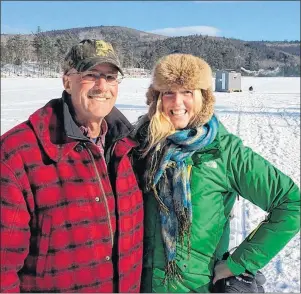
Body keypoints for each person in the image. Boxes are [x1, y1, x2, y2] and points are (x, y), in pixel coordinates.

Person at [133, 53, 300, 293]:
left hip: (196, 287)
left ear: (203, 97)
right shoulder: (140, 146)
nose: (177, 102)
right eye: (168, 91)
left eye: (188, 92)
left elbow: (290, 202)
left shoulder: (224, 151)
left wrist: (238, 263)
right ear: (157, 98)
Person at [0, 39, 143, 293]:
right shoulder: (18, 154)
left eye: (110, 77)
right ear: (67, 81)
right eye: (91, 75)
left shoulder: (128, 147)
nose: (102, 86)